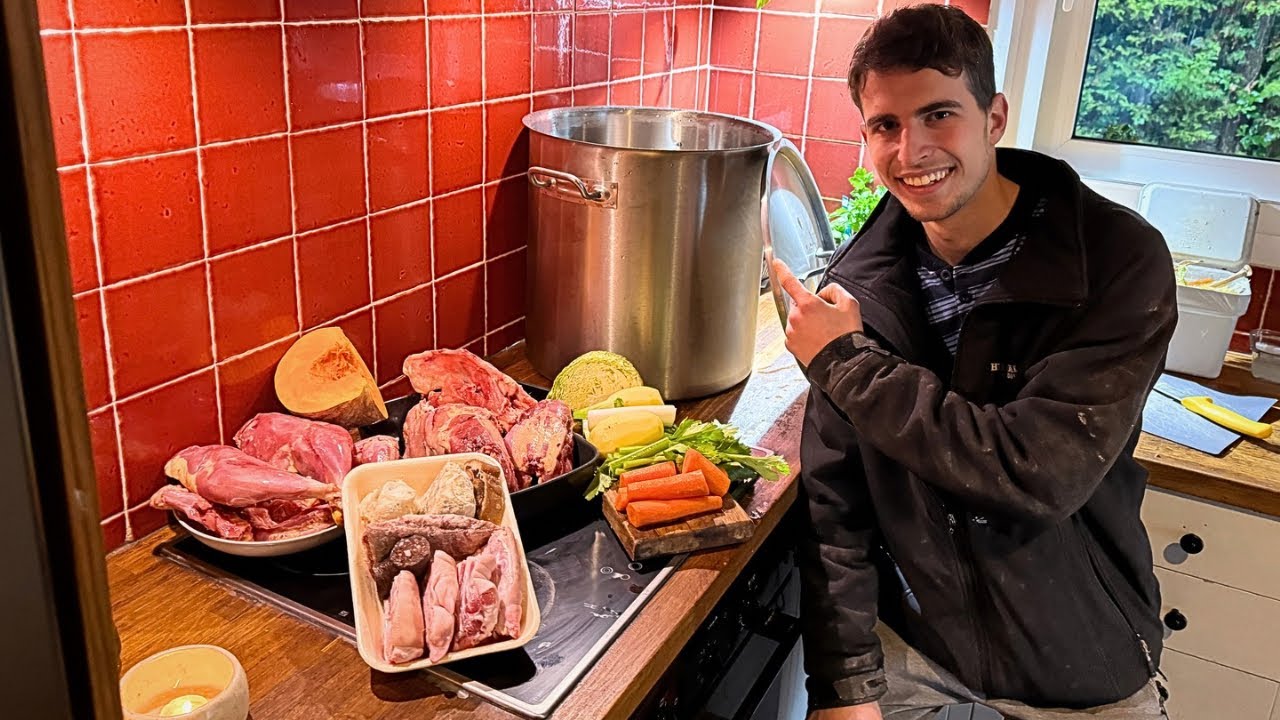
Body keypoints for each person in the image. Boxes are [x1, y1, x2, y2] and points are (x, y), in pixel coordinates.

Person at [770, 5, 1178, 720]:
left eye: (938, 115)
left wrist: (846, 363)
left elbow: (1035, 473)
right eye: (885, 126)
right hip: (917, 644)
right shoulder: (858, 288)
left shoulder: (1116, 261)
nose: (911, 150)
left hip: (1078, 650)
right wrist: (843, 688)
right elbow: (837, 510)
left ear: (994, 118)